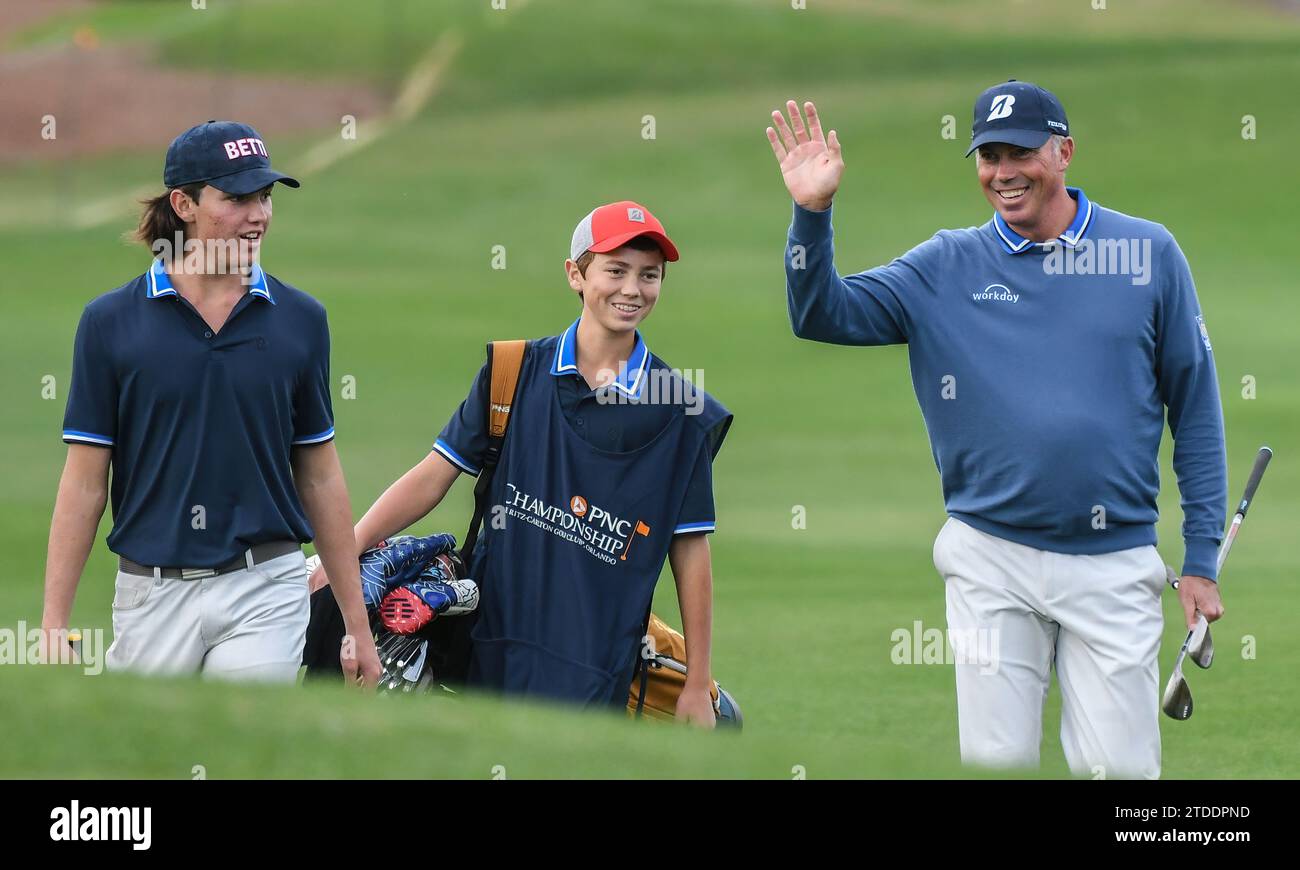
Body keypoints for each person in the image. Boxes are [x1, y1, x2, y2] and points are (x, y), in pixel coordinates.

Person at [765, 81, 1227, 777]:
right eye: (988, 156)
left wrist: (1200, 558)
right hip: (990, 554)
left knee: (1124, 776)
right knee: (996, 762)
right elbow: (821, 313)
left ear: (1064, 152)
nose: (1003, 172)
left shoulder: (1147, 254)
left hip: (1114, 559)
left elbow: (1194, 404)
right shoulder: (944, 266)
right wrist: (811, 214)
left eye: (1020, 153)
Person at [310, 200, 732, 724]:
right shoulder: (513, 372)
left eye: (650, 275)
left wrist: (698, 683)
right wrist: (344, 554)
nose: (632, 289)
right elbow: (434, 476)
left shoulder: (681, 411)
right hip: (493, 639)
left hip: (596, 662)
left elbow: (690, 548)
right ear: (575, 275)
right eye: (615, 270)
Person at [43, 120, 380, 686]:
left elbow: (319, 476)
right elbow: (84, 482)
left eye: (265, 197)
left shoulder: (302, 321)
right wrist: (53, 624)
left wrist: (357, 626)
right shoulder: (109, 324)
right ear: (184, 204)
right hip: (150, 596)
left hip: (265, 587)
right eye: (238, 198)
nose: (259, 215)